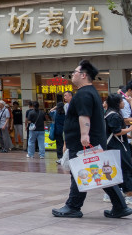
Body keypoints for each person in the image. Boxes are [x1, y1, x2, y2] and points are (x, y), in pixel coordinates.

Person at [52, 60, 132, 218]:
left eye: (75, 72)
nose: (73, 74)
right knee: (100, 173)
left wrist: (84, 136)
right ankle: (120, 206)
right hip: (90, 141)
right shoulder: (90, 92)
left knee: (78, 171)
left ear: (83, 75)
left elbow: (84, 115)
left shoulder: (84, 93)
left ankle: (73, 206)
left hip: (84, 142)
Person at [103, 94, 132, 203]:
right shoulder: (114, 115)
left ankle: (113, 194)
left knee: (116, 170)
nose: (123, 103)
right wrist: (130, 129)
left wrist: (127, 134)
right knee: (126, 169)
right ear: (117, 103)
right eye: (121, 101)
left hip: (113, 145)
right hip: (117, 146)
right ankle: (129, 194)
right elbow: (117, 131)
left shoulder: (109, 113)